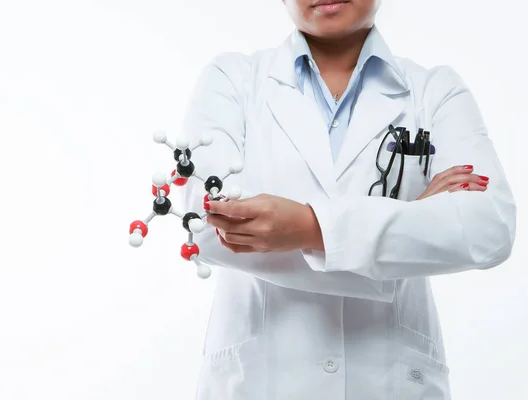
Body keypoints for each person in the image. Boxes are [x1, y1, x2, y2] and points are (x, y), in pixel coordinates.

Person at [178, 0, 517, 399]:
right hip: (260, 379)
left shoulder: (435, 91)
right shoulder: (233, 80)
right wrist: (410, 218)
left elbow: (486, 227)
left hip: (388, 381)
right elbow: (205, 223)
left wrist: (308, 227)